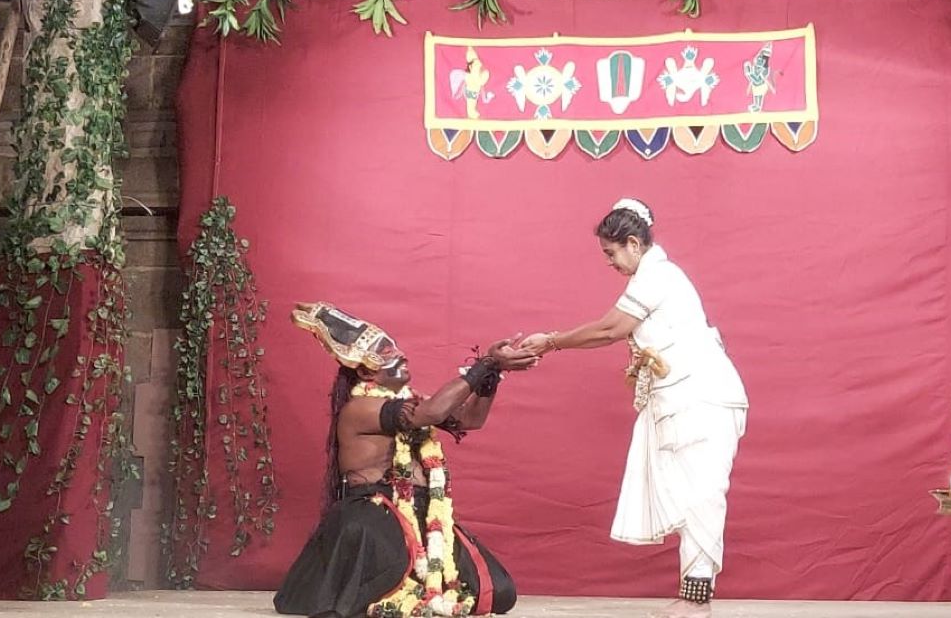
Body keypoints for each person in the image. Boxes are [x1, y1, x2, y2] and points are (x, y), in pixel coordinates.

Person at [519, 199, 748, 618]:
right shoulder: (654, 276)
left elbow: (610, 329)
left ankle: (696, 599)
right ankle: (694, 594)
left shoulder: (658, 275)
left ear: (632, 243)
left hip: (702, 399)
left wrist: (551, 340)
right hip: (685, 401)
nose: (609, 263)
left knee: (701, 494)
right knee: (691, 494)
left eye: (610, 253)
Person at [275, 302, 536, 618]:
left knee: (500, 591)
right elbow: (435, 412)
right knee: (376, 595)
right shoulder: (360, 409)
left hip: (424, 515)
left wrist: (493, 373)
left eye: (401, 357)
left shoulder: (410, 402)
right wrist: (487, 362)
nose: (403, 363)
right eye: (392, 361)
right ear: (365, 371)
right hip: (376, 516)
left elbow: (469, 420)